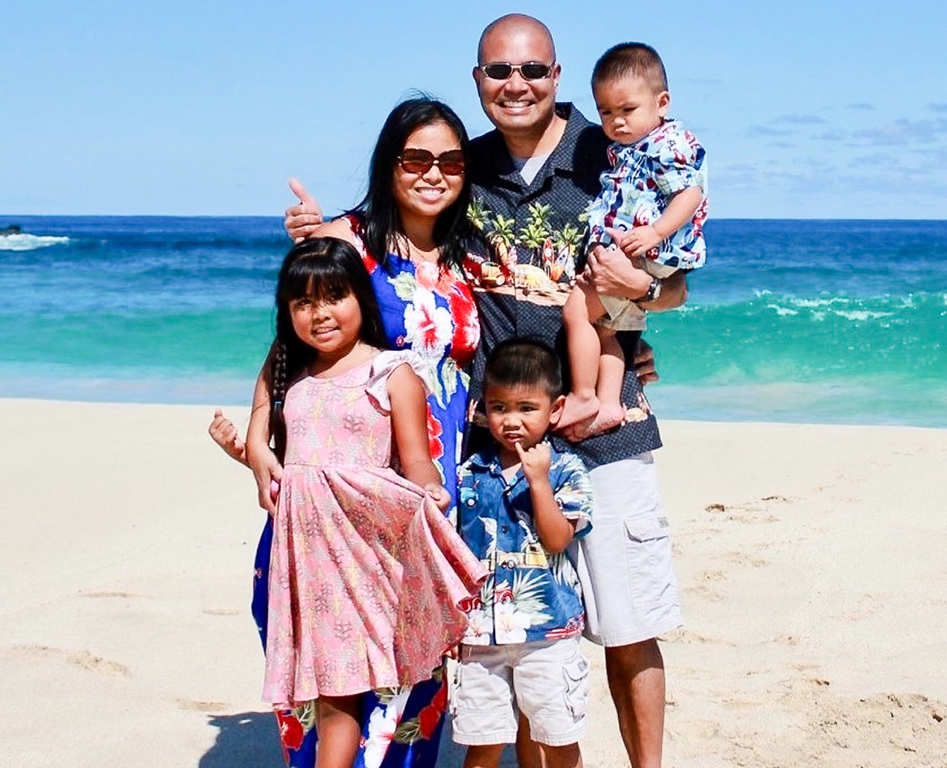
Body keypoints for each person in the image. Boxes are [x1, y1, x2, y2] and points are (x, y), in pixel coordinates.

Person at [286, 16, 690, 768]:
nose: (517, 85)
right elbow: (387, 229)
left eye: (532, 70)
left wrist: (646, 291)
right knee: (521, 631)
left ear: (558, 75)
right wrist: (317, 235)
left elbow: (675, 283)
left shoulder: (611, 149)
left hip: (609, 425)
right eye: (499, 71)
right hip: (494, 441)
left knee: (628, 626)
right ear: (478, 80)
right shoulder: (461, 168)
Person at [211, 97, 482, 768]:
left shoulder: (472, 250)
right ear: (389, 163)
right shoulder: (347, 241)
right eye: (416, 157)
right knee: (323, 658)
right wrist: (254, 443)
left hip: (426, 486)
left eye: (450, 160)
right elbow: (287, 349)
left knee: (410, 661)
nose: (433, 173)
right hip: (339, 496)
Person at [256, 236, 486, 768]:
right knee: (330, 691)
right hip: (310, 568)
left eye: (334, 296)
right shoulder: (296, 380)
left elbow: (416, 462)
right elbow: (302, 472)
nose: (319, 314)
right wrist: (246, 445)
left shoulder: (391, 372)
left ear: (361, 297)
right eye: (303, 304)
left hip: (370, 558)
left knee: (385, 684)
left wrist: (432, 493)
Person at [452, 339, 593, 768]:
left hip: (547, 633)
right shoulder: (469, 472)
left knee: (558, 738)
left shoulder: (567, 469)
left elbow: (557, 541)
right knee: (483, 743)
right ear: (482, 408)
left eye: (526, 408)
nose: (511, 421)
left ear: (555, 408)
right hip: (481, 635)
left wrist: (539, 482)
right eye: (499, 407)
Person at [559, 42, 707, 435]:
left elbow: (691, 193)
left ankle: (584, 395)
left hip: (645, 251)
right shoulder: (629, 148)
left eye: (627, 110)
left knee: (577, 311)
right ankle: (608, 403)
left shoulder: (665, 144)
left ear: (662, 103)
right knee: (607, 327)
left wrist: (656, 232)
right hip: (640, 251)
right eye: (606, 112)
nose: (616, 122)